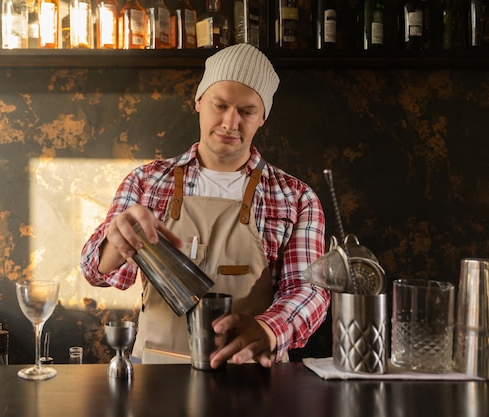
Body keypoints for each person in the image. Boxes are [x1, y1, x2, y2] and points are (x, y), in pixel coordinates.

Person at [81, 43, 330, 369]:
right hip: (156, 373)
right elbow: (96, 273)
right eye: (220, 105)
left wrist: (270, 329)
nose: (230, 122)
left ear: (263, 117)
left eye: (246, 111)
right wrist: (117, 241)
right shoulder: (146, 182)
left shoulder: (296, 197)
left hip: (253, 373)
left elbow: (309, 290)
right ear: (199, 101)